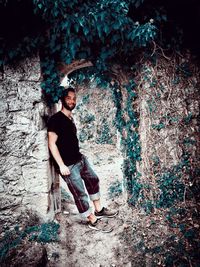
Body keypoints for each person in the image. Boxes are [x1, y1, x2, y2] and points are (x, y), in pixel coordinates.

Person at [47, 87, 118, 232]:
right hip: (68, 166)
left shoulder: (70, 119)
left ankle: (99, 210)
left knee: (93, 180)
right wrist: (61, 165)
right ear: (62, 100)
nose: (72, 101)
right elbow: (51, 143)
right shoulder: (55, 119)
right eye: (68, 98)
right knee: (80, 194)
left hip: (80, 159)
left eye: (74, 98)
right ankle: (92, 219)